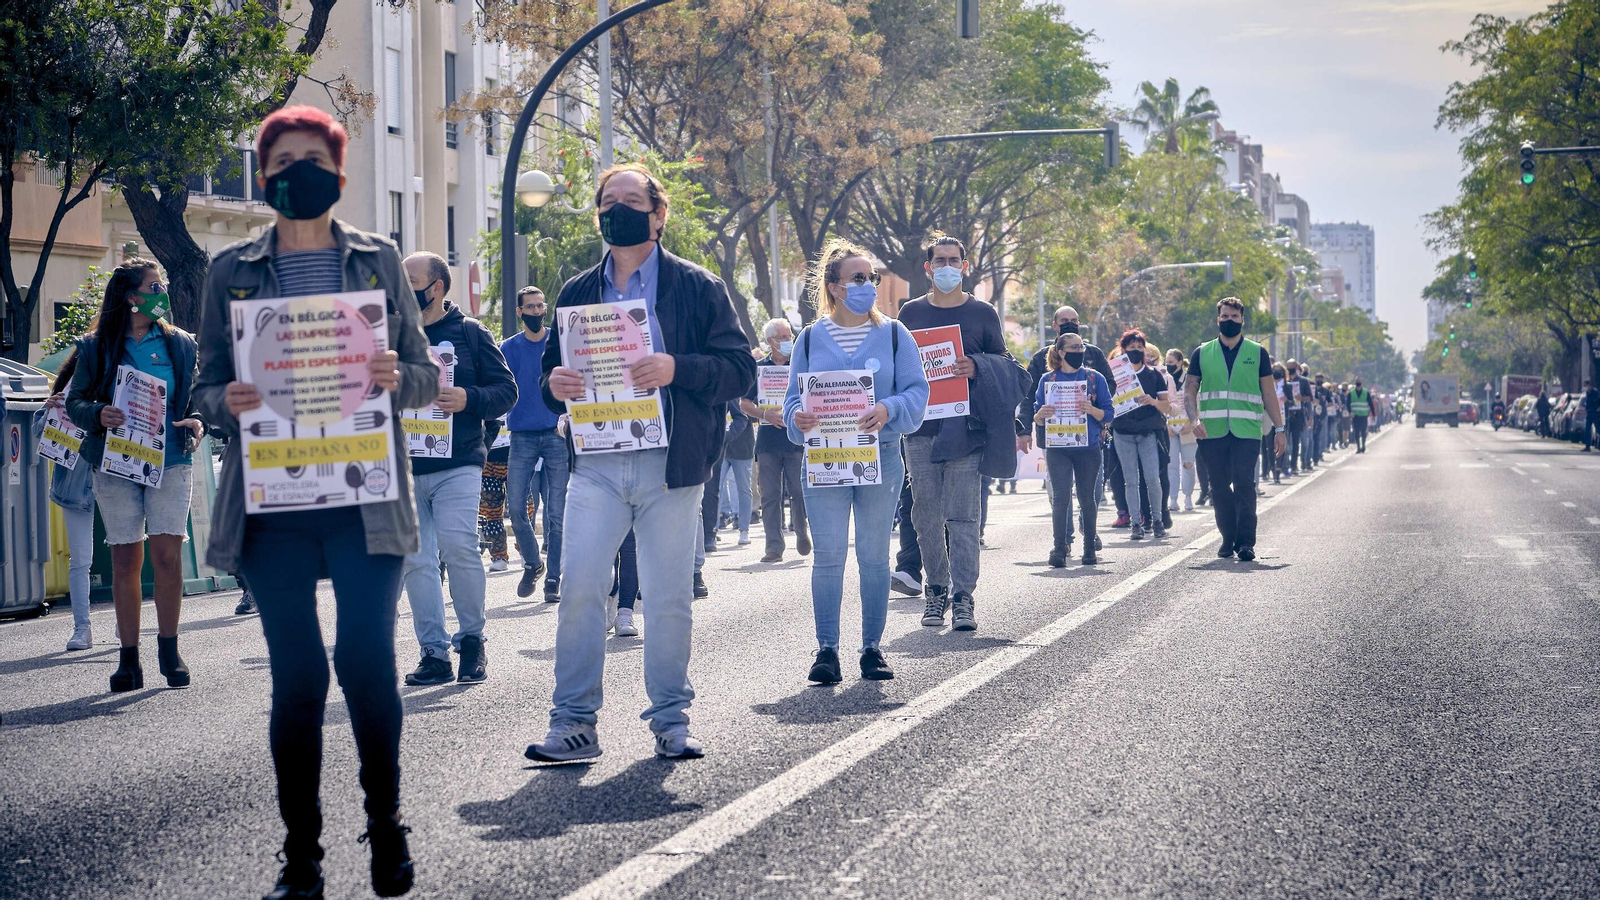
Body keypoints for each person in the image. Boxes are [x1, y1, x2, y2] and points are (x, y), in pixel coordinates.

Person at [193, 105, 437, 900]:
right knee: (296, 679)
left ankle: (386, 824)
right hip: (274, 505)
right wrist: (223, 396)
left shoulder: (378, 259)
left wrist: (403, 375)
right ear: (264, 177)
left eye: (313, 157)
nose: (298, 171)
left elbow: (427, 375)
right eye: (282, 159)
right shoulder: (229, 271)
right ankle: (301, 855)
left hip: (366, 497)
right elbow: (203, 378)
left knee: (367, 666)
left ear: (337, 169)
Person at [524, 163, 756, 763]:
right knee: (578, 589)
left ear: (658, 215)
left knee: (668, 595)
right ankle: (573, 723)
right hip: (596, 466)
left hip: (669, 467)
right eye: (607, 201)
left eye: (631, 200)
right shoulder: (577, 292)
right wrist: (557, 382)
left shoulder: (698, 286)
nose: (616, 209)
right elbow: (554, 376)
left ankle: (671, 720)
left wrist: (677, 368)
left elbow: (738, 371)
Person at [784, 238, 929, 683]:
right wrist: (798, 417)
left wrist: (888, 409)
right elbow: (791, 403)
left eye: (872, 278)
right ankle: (826, 649)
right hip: (825, 462)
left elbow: (917, 392)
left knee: (872, 557)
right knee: (828, 557)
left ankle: (871, 648)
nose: (868, 285)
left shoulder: (893, 334)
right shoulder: (808, 339)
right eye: (858, 278)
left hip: (879, 459)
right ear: (834, 287)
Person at [66, 258, 203, 692]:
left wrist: (196, 421)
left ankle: (169, 649)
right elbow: (76, 401)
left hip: (171, 462)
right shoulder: (95, 346)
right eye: (154, 285)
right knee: (126, 560)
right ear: (131, 297)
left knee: (167, 557)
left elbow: (195, 399)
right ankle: (129, 660)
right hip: (115, 461)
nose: (161, 291)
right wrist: (97, 413)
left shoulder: (181, 344)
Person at [399, 251, 517, 686]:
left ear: (436, 287)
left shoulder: (469, 333)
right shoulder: (393, 335)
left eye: (410, 279)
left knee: (459, 546)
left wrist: (469, 398)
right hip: (406, 465)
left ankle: (471, 640)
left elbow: (507, 392)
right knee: (416, 559)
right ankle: (433, 652)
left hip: (459, 462)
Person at [896, 233, 1020, 633]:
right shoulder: (909, 314)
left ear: (965, 267)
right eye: (939, 260)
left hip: (966, 429)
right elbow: (896, 364)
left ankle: (963, 596)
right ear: (928, 267)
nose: (946, 266)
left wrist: (977, 366)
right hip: (920, 429)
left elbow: (1006, 362)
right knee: (926, 515)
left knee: (963, 516)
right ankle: (936, 589)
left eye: (954, 260)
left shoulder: (983, 313)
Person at [1185, 297, 1286, 562]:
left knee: (1244, 484)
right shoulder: (1202, 352)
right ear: (1217, 319)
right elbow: (1190, 389)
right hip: (1211, 432)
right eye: (1225, 317)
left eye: (1234, 317)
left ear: (1242, 319)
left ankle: (1245, 543)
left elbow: (1269, 393)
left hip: (1247, 432)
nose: (1230, 321)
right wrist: (1194, 419)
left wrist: (1280, 428)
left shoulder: (1257, 351)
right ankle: (1227, 537)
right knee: (1218, 487)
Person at [502, 286, 568, 602]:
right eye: (530, 307)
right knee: (516, 506)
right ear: (520, 312)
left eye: (541, 306)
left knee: (557, 513)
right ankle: (533, 563)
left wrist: (567, 416)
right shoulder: (508, 349)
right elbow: (499, 388)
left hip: (556, 435)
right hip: (522, 437)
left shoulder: (558, 342)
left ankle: (553, 577)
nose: (536, 312)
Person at [1032, 330, 1112, 566]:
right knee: (1060, 497)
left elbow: (1108, 413)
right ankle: (1059, 548)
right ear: (1060, 352)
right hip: (1058, 447)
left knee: (1087, 498)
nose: (1079, 351)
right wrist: (1040, 415)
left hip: (1088, 447)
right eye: (1073, 348)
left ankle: (1089, 549)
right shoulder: (1048, 381)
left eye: (1081, 347)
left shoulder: (1095, 379)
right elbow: (1037, 416)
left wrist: (1092, 410)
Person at [36, 355, 97, 651]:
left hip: (115, 478)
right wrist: (49, 409)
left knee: (126, 552)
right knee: (81, 560)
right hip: (74, 485)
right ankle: (81, 627)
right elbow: (37, 434)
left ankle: (125, 620)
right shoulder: (66, 391)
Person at [740, 318, 811, 563]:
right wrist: (764, 414)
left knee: (798, 491)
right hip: (768, 442)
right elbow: (744, 403)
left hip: (795, 439)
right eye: (782, 337)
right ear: (770, 341)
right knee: (770, 494)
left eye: (789, 335)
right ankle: (774, 547)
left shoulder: (799, 366)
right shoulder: (759, 369)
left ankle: (802, 533)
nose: (788, 340)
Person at [1108, 330, 1171, 540]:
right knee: (1131, 480)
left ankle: (1157, 520)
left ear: (1145, 349)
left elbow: (1168, 407)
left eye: (1139, 347)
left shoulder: (1154, 375)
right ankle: (1136, 523)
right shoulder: (1115, 375)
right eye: (1131, 347)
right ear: (1122, 349)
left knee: (1153, 478)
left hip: (1148, 433)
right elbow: (1105, 400)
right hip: (1123, 432)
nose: (1135, 351)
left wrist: (1152, 401)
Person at [1164, 348, 1198, 512]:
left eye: (1171, 362)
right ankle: (1173, 499)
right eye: (1166, 362)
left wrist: (1192, 423)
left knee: (1188, 463)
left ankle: (1188, 496)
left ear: (1179, 361)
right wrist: (1166, 424)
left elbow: (1195, 401)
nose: (1168, 365)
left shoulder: (1189, 379)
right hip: (1170, 427)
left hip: (1187, 427)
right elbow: (1162, 402)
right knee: (1171, 465)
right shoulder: (1165, 379)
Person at [479, 417, 512, 571]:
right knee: (490, 511)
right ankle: (499, 555)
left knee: (523, 508)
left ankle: (527, 551)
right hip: (488, 454)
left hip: (515, 453)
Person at [720, 403, 755, 545]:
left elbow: (751, 417)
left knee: (744, 489)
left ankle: (744, 530)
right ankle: (712, 528)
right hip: (720, 448)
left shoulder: (746, 387)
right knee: (715, 487)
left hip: (742, 448)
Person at [1349, 377, 1372, 452]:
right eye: (1357, 381)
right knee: (1356, 432)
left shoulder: (1366, 392)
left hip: (1363, 415)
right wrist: (1350, 412)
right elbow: (1348, 403)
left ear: (1362, 382)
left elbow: (1370, 403)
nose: (1358, 382)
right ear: (1355, 382)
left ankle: (1363, 445)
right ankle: (1358, 447)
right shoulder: (1351, 392)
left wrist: (1373, 414)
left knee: (1363, 432)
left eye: (1359, 381)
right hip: (1355, 416)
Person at [1582, 380, 1599, 451]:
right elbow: (1587, 402)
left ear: (1589, 385)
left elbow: (1597, 400)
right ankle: (1587, 446)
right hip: (1589, 413)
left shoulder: (1595, 392)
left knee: (1598, 429)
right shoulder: (1587, 393)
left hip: (1595, 413)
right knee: (1587, 430)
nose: (1584, 387)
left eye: (1585, 385)